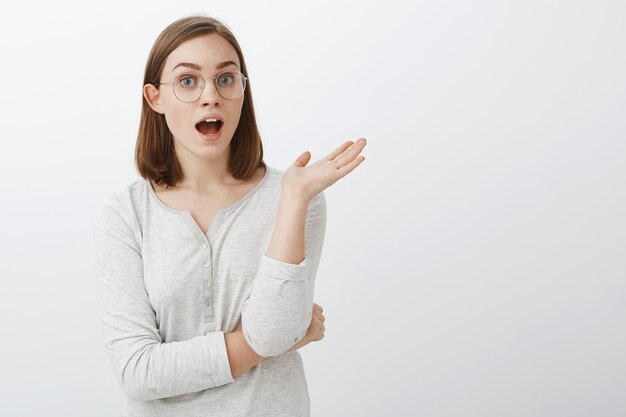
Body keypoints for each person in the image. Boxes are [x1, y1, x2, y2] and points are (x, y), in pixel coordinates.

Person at [93, 13, 366, 417]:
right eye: (188, 81)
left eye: (226, 78)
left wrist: (293, 199)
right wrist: (266, 340)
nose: (211, 95)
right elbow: (139, 372)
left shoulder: (295, 195)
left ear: (242, 89)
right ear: (155, 98)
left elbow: (276, 332)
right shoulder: (124, 215)